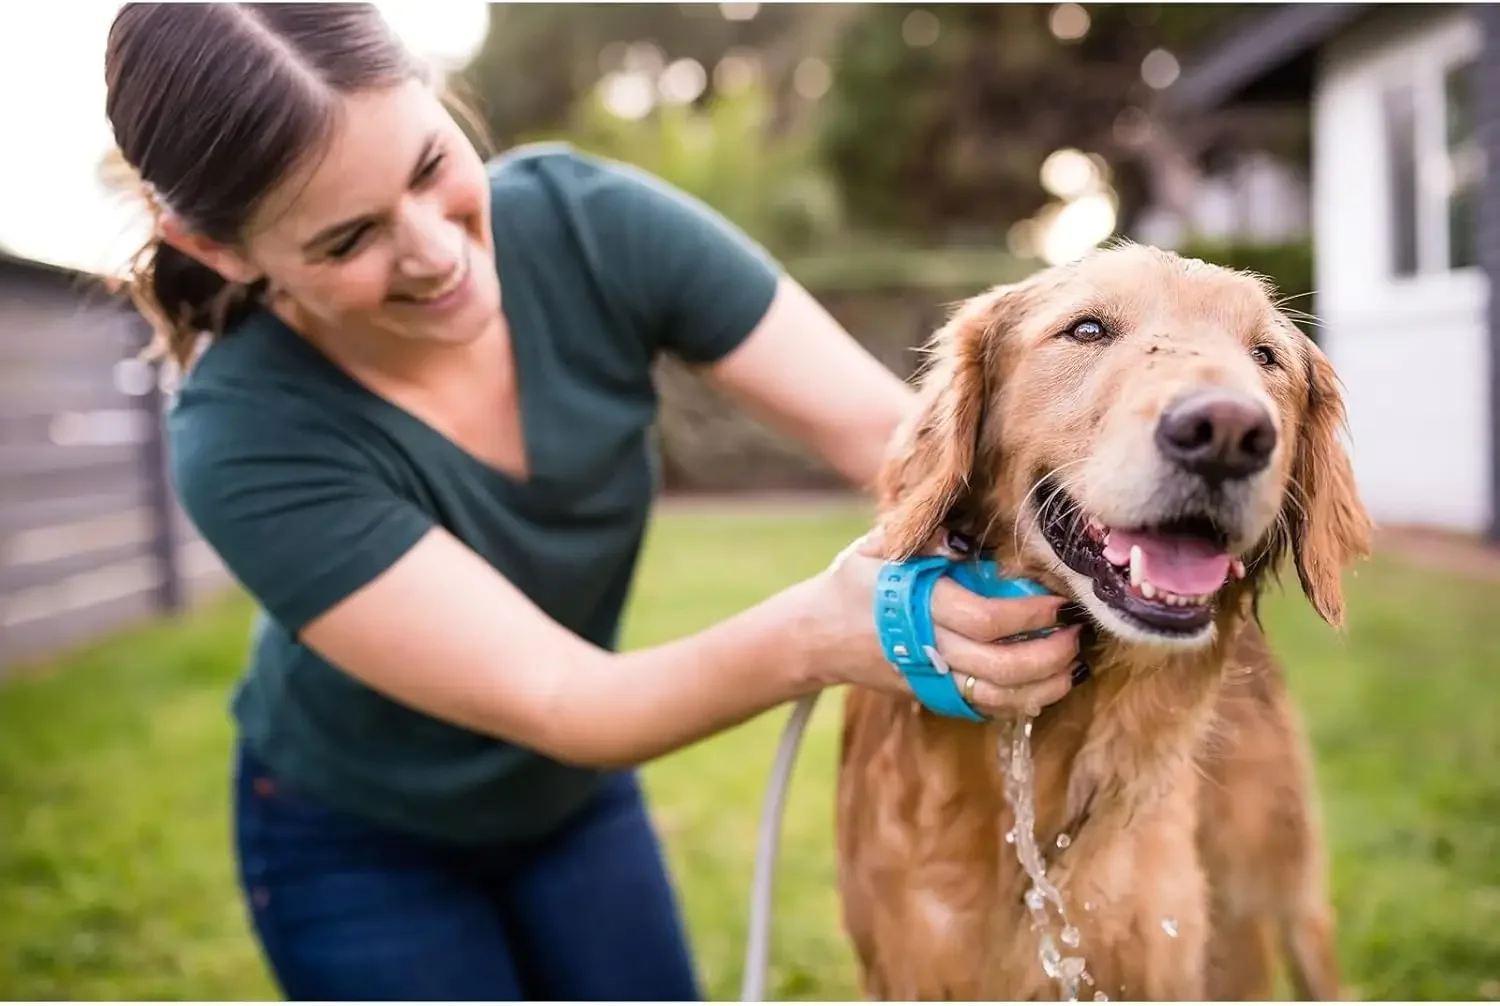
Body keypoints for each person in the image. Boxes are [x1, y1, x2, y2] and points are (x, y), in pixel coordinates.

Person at [102, 3, 1086, 1001]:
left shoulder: (591, 223)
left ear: (437, 99)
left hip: (572, 808)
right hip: (360, 844)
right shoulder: (245, 438)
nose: (435, 251)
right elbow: (570, 700)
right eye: (349, 238)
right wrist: (821, 630)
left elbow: (898, 441)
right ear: (217, 248)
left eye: (428, 166)